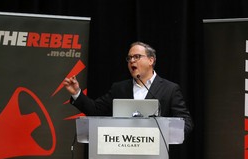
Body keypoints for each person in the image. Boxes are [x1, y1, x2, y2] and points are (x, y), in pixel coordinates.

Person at [63, 41, 193, 136]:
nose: (131, 61)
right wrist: (76, 93)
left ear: (151, 60)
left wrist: (164, 133)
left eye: (137, 57)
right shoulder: (119, 88)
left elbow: (186, 123)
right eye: (129, 58)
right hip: (123, 157)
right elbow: (95, 110)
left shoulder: (169, 89)